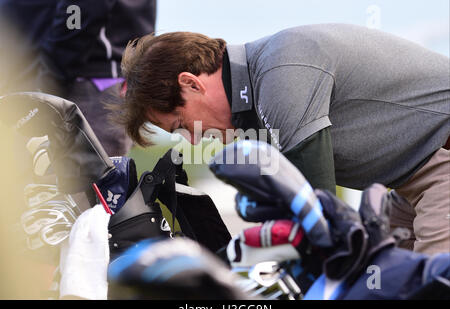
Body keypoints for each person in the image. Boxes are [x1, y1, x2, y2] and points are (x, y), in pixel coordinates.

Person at [114, 24, 450, 255]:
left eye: (181, 124)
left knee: (427, 285)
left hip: (440, 162)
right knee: (377, 281)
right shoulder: (256, 98)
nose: (191, 139)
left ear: (191, 84)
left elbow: (322, 224)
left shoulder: (279, 76)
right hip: (415, 181)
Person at [0, 0, 157, 156]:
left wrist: (47, 82)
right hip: (64, 80)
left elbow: (82, 10)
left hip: (80, 85)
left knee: (83, 178)